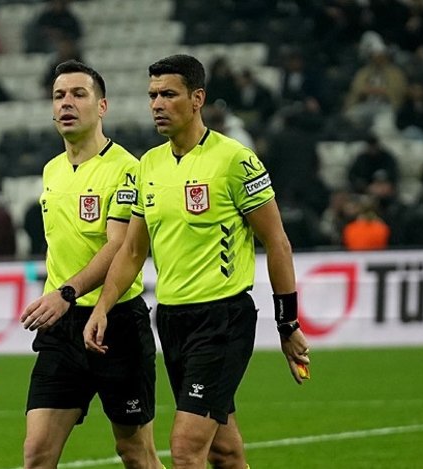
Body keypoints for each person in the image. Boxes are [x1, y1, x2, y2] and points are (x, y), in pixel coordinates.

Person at [84, 54, 311, 469]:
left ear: (197, 99)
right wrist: (102, 307)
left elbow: (277, 242)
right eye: (152, 95)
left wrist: (288, 323)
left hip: (222, 320)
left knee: (186, 449)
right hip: (172, 320)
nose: (157, 104)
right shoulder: (148, 165)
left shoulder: (235, 161)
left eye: (168, 94)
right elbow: (132, 251)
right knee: (225, 452)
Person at [19, 60, 162, 469]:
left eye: (78, 94)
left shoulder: (127, 169)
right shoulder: (51, 170)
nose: (66, 103)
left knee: (135, 453)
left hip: (115, 323)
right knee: (36, 455)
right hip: (62, 329)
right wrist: (62, 298)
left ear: (102, 107)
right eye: (59, 96)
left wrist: (67, 292)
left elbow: (119, 245)